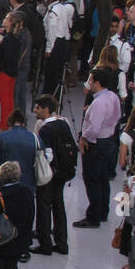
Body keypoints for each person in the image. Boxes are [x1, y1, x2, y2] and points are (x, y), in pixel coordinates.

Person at [74, 70, 122, 230]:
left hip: (96, 143)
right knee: (102, 178)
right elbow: (116, 117)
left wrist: (84, 138)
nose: (89, 83)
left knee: (92, 179)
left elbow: (93, 128)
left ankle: (93, 216)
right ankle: (103, 211)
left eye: (91, 80)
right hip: (108, 140)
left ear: (97, 82)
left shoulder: (99, 103)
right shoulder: (113, 97)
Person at [32, 94, 75, 255]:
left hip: (50, 173)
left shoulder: (46, 129)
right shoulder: (64, 124)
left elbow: (48, 154)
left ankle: (45, 243)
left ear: (46, 109)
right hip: (64, 171)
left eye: (38, 107)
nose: (36, 110)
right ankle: (62, 242)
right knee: (59, 205)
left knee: (44, 206)